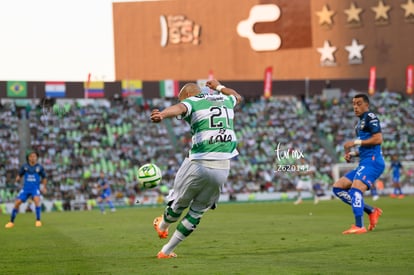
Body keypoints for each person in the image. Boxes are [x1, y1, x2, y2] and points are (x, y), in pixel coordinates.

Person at [150, 79, 242, 259]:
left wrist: (162, 114)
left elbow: (179, 108)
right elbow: (237, 96)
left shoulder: (193, 100)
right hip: (223, 166)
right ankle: (165, 251)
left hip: (199, 161)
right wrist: (219, 87)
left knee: (179, 200)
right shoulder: (225, 100)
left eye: (181, 98)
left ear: (187, 95)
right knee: (197, 212)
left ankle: (162, 226)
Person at [332, 94, 385, 234]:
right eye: (354, 104)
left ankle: (359, 225)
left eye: (359, 103)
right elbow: (366, 148)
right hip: (365, 161)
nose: (355, 106)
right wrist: (353, 154)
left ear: (366, 105)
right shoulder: (358, 125)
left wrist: (355, 143)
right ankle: (371, 210)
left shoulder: (370, 117)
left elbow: (378, 139)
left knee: (355, 190)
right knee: (338, 188)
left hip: (373, 162)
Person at [5, 151, 47, 228]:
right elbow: (20, 174)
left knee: (37, 200)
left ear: (36, 157)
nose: (33, 158)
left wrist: (44, 187)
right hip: (26, 188)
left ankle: (38, 220)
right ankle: (11, 222)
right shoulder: (25, 166)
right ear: (28, 158)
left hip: (35, 188)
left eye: (34, 156)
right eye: (31, 156)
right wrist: (17, 178)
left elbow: (44, 177)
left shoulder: (39, 167)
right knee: (17, 203)